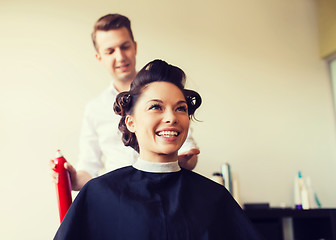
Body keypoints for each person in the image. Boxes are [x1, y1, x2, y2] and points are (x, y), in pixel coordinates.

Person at [53, 60, 262, 240]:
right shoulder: (99, 194)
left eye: (180, 108)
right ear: (131, 122)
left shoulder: (215, 198)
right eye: (156, 107)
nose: (171, 117)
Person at [52, 14, 199, 191]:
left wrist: (179, 159)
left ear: (135, 47)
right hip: (119, 198)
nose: (120, 57)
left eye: (125, 47)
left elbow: (188, 152)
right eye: (110, 51)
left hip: (166, 189)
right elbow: (88, 168)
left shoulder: (165, 92)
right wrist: (73, 179)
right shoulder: (95, 109)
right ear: (99, 57)